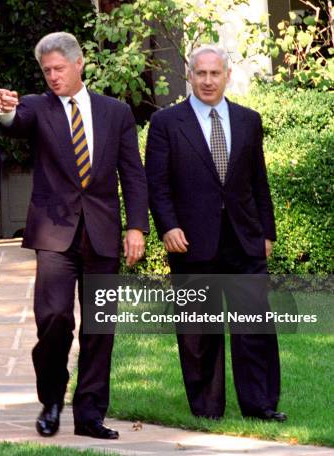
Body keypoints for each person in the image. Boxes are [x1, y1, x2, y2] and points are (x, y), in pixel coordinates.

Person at [0, 32, 149, 440]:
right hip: (54, 234)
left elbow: (132, 174)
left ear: (79, 64)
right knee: (54, 320)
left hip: (101, 233)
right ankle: (51, 399)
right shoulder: (36, 108)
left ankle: (90, 415)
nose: (52, 77)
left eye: (58, 69)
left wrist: (137, 226)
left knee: (99, 326)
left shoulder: (115, 112)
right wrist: (7, 112)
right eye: (46, 71)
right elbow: (15, 123)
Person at [145, 45, 285, 421]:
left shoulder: (248, 120)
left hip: (244, 238)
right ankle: (207, 408)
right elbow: (156, 184)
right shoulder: (166, 123)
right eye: (200, 73)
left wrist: (266, 232)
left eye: (214, 74)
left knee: (254, 325)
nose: (207, 81)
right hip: (190, 240)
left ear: (226, 76)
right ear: (189, 76)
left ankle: (261, 405)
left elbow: (259, 181)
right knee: (199, 331)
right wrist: (168, 226)